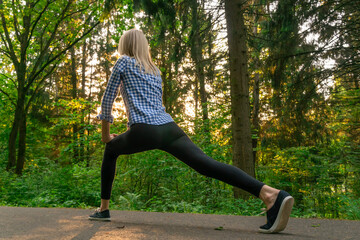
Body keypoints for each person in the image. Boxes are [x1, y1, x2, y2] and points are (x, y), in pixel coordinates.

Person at [89, 28, 294, 234]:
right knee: (207, 165)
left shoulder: (123, 61)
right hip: (169, 128)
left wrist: (106, 136)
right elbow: (150, 103)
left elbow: (107, 100)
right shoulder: (154, 69)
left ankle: (104, 209)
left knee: (111, 150)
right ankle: (270, 194)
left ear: (124, 46)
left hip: (145, 129)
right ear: (144, 46)